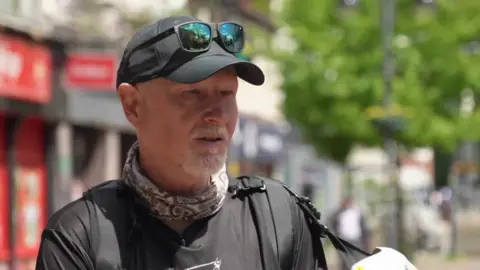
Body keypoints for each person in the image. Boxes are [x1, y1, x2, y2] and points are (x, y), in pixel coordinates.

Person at [35, 16, 324, 270]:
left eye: (227, 93)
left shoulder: (278, 218)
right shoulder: (78, 238)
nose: (217, 115)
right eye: (193, 94)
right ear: (133, 105)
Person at [330, 197, 371, 270]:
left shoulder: (358, 212)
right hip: (343, 240)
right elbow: (333, 225)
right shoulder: (338, 213)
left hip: (356, 240)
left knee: (357, 260)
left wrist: (366, 241)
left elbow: (364, 227)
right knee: (345, 260)